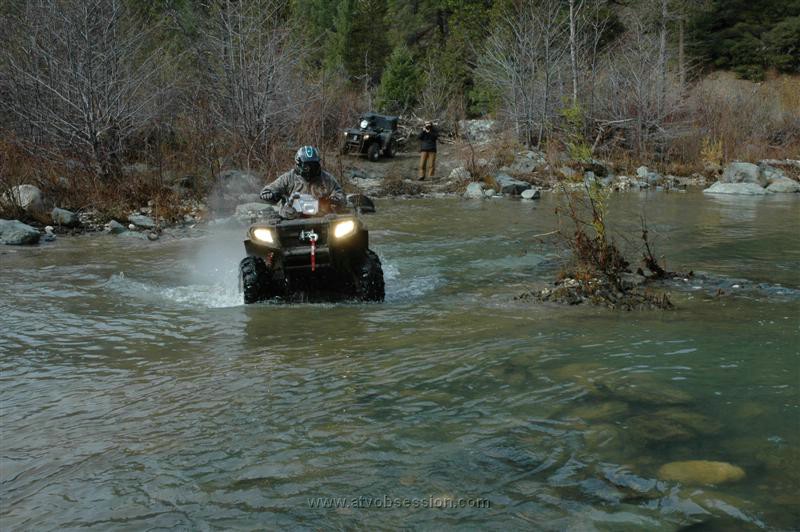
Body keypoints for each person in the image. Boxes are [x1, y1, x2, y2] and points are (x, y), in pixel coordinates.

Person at [260, 146, 346, 217]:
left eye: (314, 166)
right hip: (290, 220)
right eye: (306, 167)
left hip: (321, 219)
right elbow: (269, 189)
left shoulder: (327, 179)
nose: (310, 170)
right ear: (298, 165)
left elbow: (340, 194)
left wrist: (332, 200)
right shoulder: (288, 178)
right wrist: (269, 194)